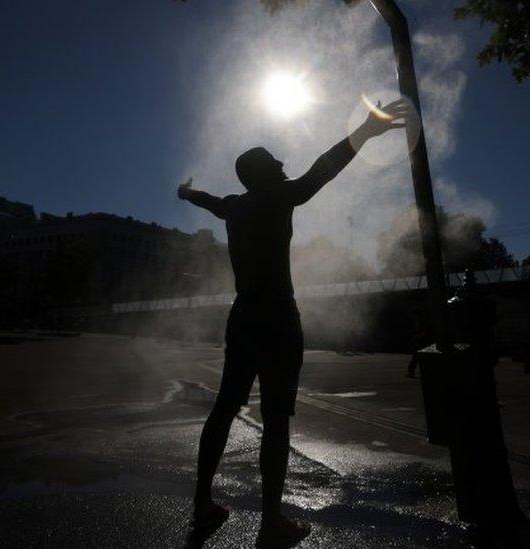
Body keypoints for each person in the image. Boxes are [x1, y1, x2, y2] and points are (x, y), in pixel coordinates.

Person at [178, 98, 408, 547]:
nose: (283, 162)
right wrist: (365, 129)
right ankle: (270, 524)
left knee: (224, 408)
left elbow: (206, 201)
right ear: (261, 174)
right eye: (272, 160)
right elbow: (323, 169)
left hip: (242, 316)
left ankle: (202, 504)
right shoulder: (277, 196)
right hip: (278, 318)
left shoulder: (234, 207)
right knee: (277, 420)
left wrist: (185, 193)